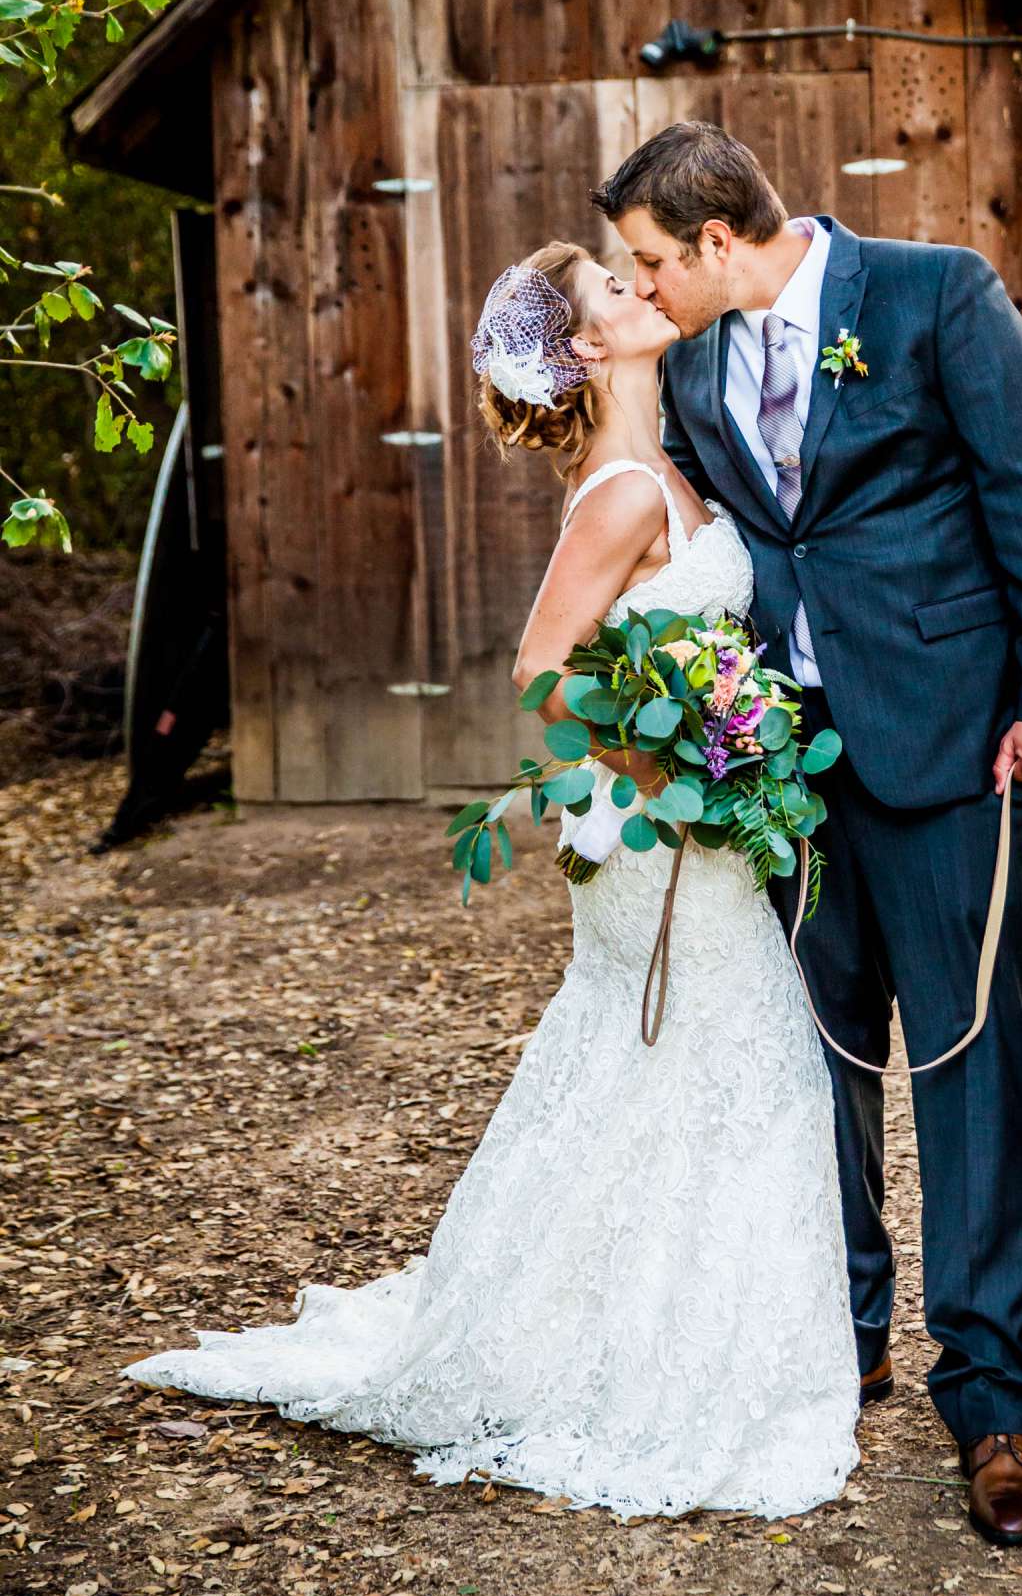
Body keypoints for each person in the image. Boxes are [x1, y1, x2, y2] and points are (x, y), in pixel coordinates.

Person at [124, 241, 860, 1521]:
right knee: (686, 1048)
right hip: (648, 834)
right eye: (620, 292)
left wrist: (732, 743)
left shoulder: (668, 466)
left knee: (704, 1059)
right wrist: (675, 748)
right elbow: (537, 672)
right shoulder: (621, 495)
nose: (645, 291)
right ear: (586, 347)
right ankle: (627, 1349)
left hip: (696, 832)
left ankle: (689, 1326)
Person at [595, 123, 1022, 1548]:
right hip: (783, 773)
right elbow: (702, 546)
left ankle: (994, 1397)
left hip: (950, 747)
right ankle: (840, 1342)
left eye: (654, 263)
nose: (647, 289)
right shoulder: (694, 363)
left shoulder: (936, 294)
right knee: (808, 1064)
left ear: (714, 241)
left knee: (967, 1067)